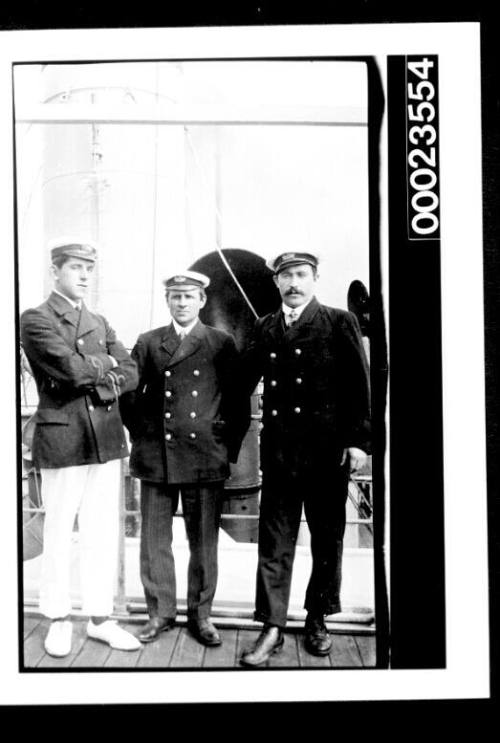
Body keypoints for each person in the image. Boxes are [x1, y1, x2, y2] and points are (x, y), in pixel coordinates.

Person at [239, 251, 370, 667]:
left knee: (326, 540)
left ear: (315, 278)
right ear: (277, 282)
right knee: (274, 544)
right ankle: (272, 625)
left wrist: (359, 443)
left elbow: (358, 386)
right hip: (278, 455)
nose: (294, 283)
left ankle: (318, 618)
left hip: (325, 455)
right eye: (286, 276)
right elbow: (242, 379)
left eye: (301, 274)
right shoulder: (265, 326)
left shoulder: (337, 322)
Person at [21, 238, 141, 657]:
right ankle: (57, 618)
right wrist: (105, 367)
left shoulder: (100, 320)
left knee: (100, 532)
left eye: (88, 269)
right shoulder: (36, 319)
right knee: (58, 531)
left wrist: (106, 369)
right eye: (75, 268)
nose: (84, 276)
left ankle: (99, 618)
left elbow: (132, 371)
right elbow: (70, 371)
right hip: (64, 436)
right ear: (55, 271)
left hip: (104, 438)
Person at [120, 271, 249, 647]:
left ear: (202, 301)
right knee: (154, 542)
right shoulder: (148, 342)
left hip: (204, 457)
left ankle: (201, 616)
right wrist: (143, 433)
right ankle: (159, 614)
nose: (182, 303)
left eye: (189, 296)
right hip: (156, 456)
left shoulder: (220, 343)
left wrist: (224, 445)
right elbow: (129, 393)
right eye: (176, 296)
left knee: (204, 543)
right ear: (168, 301)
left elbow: (238, 402)